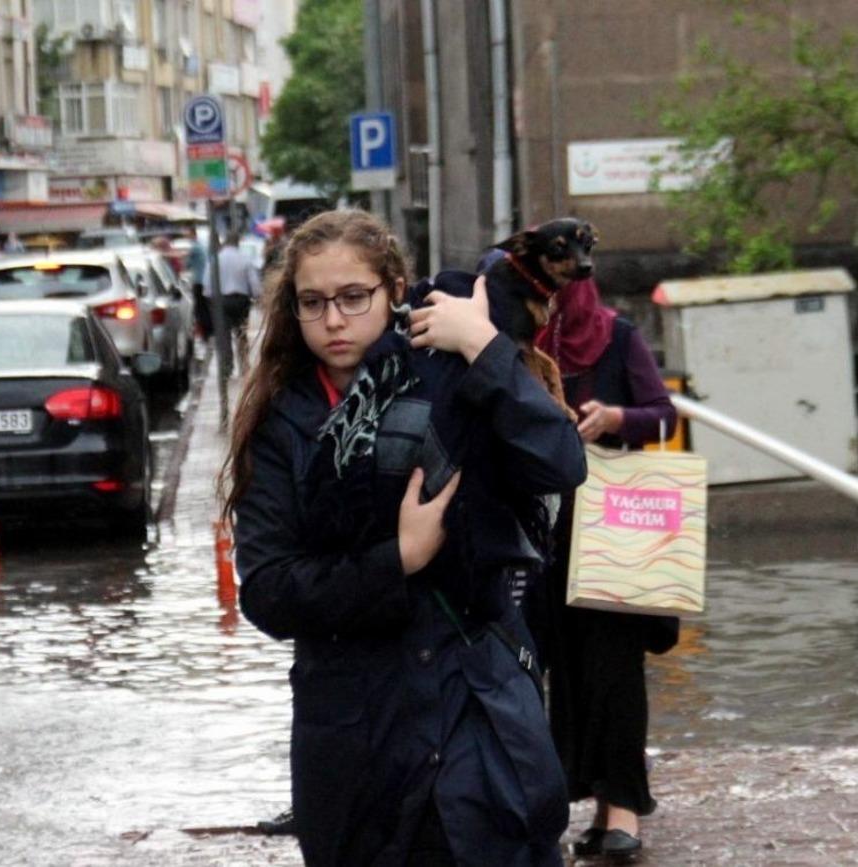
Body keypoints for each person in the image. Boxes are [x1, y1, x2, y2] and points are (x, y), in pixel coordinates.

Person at [220, 209, 586, 866]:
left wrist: (485, 347)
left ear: (393, 290)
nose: (334, 320)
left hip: (476, 713)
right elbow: (270, 592)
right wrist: (401, 557)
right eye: (313, 302)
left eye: (353, 297)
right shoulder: (283, 423)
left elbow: (560, 463)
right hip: (358, 739)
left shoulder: (455, 376)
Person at [535, 277, 679, 861]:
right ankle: (594, 803)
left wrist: (615, 417)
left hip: (617, 531)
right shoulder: (522, 343)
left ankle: (623, 807)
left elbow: (664, 417)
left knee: (616, 668)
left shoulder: (618, 336)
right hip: (547, 533)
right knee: (566, 673)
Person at [202, 230, 261, 377]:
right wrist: (257, 297)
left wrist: (210, 299)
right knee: (241, 334)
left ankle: (227, 367)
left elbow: (207, 283)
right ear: (237, 242)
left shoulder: (216, 259)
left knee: (224, 335)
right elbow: (254, 283)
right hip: (241, 300)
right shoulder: (244, 258)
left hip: (221, 301)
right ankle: (244, 365)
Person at [183, 226, 210, 342]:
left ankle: (205, 333)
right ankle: (207, 332)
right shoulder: (200, 246)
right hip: (204, 281)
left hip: (199, 282)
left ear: (193, 234)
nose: (186, 236)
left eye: (187, 234)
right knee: (204, 308)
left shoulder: (195, 247)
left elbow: (186, 264)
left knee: (200, 309)